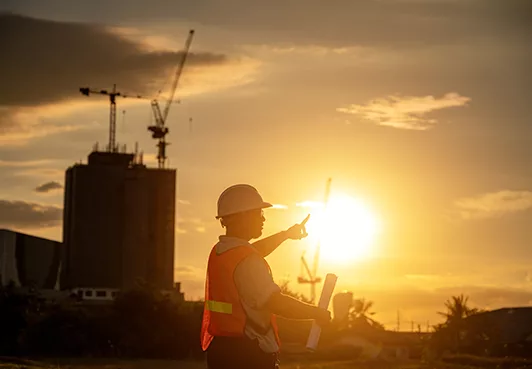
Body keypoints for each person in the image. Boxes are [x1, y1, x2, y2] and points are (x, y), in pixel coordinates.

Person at [201, 184, 332, 369]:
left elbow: (253, 251)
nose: (263, 219)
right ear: (242, 216)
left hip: (222, 351)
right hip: (247, 355)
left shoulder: (221, 251)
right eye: (258, 213)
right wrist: (315, 313)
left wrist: (286, 235)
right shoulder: (248, 262)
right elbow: (277, 303)